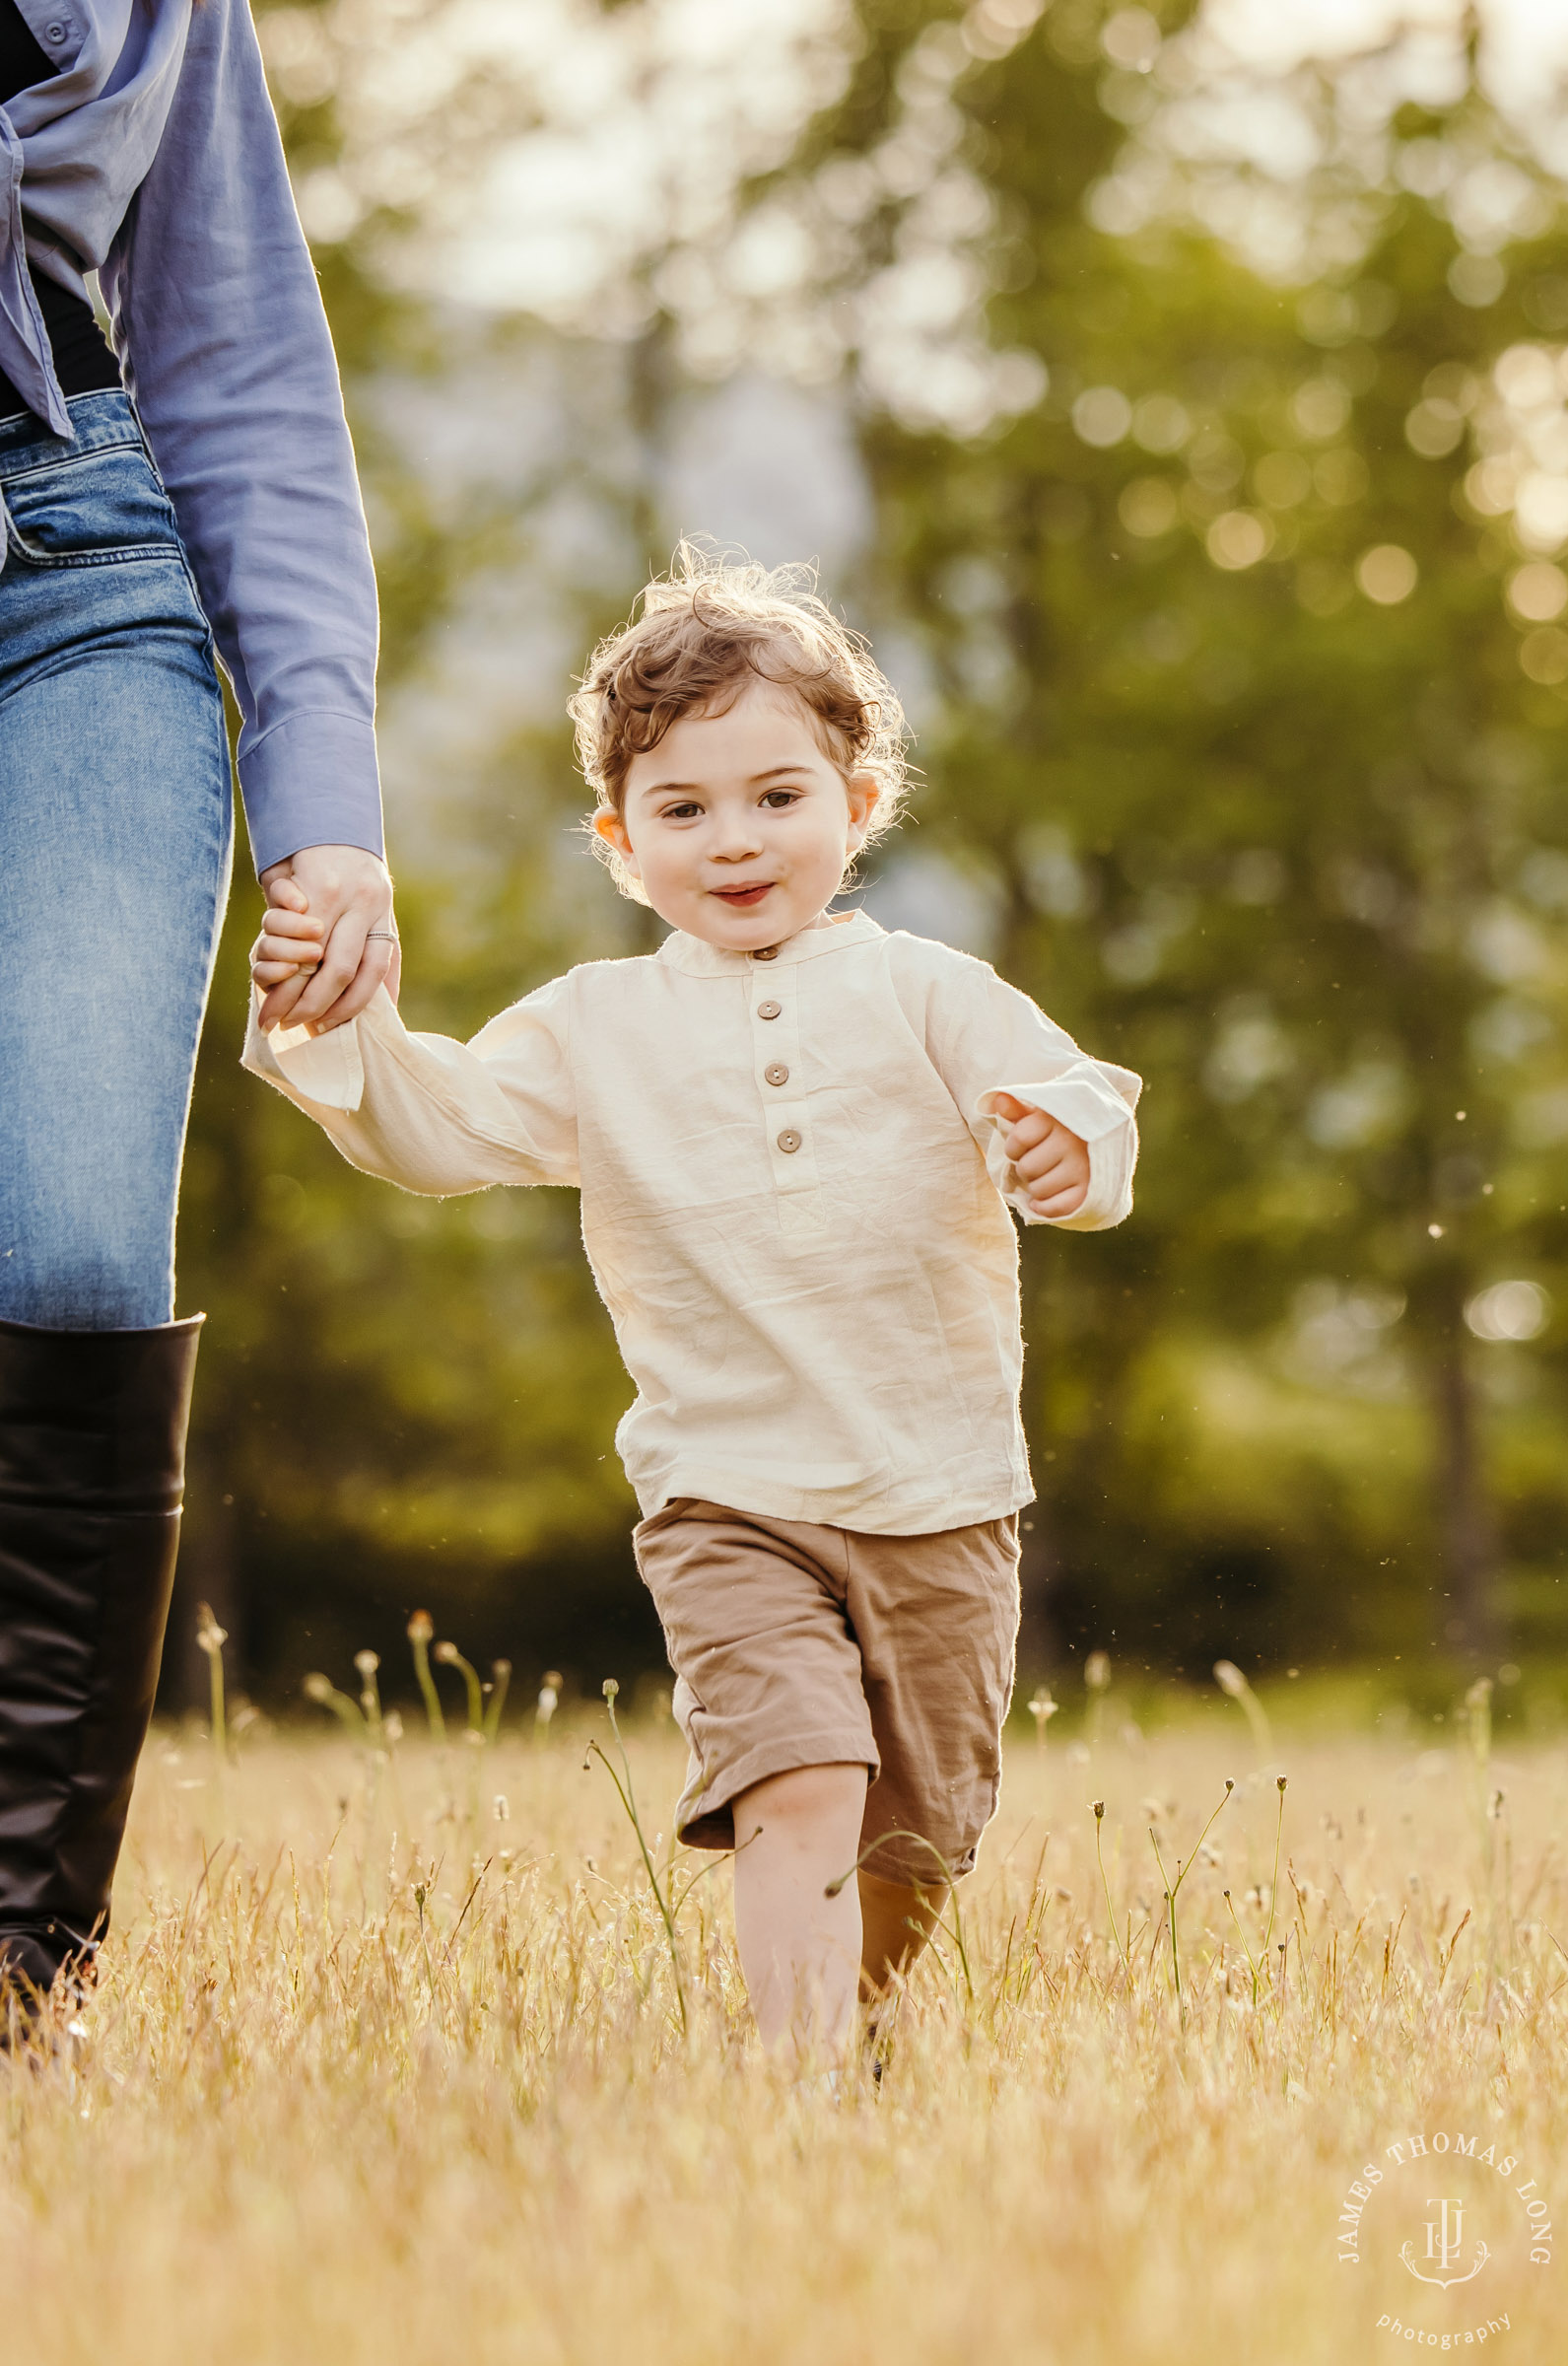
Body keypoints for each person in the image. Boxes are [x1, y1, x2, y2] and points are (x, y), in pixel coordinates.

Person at [243, 551, 1141, 2056]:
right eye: (681, 809)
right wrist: (339, 1021)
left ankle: (850, 2031)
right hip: (726, 1494)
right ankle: (789, 2091)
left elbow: (1070, 1098)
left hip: (939, 1489)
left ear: (858, 807)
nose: (733, 840)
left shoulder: (928, 990)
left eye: (776, 797)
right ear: (618, 842)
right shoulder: (597, 1023)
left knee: (912, 1846)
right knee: (797, 1786)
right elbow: (442, 1130)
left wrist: (1063, 1142)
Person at [0, 0, 394, 2018]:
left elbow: (238, 368)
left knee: (70, 1246)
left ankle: (13, 1968)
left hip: (66, 576)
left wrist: (322, 802)